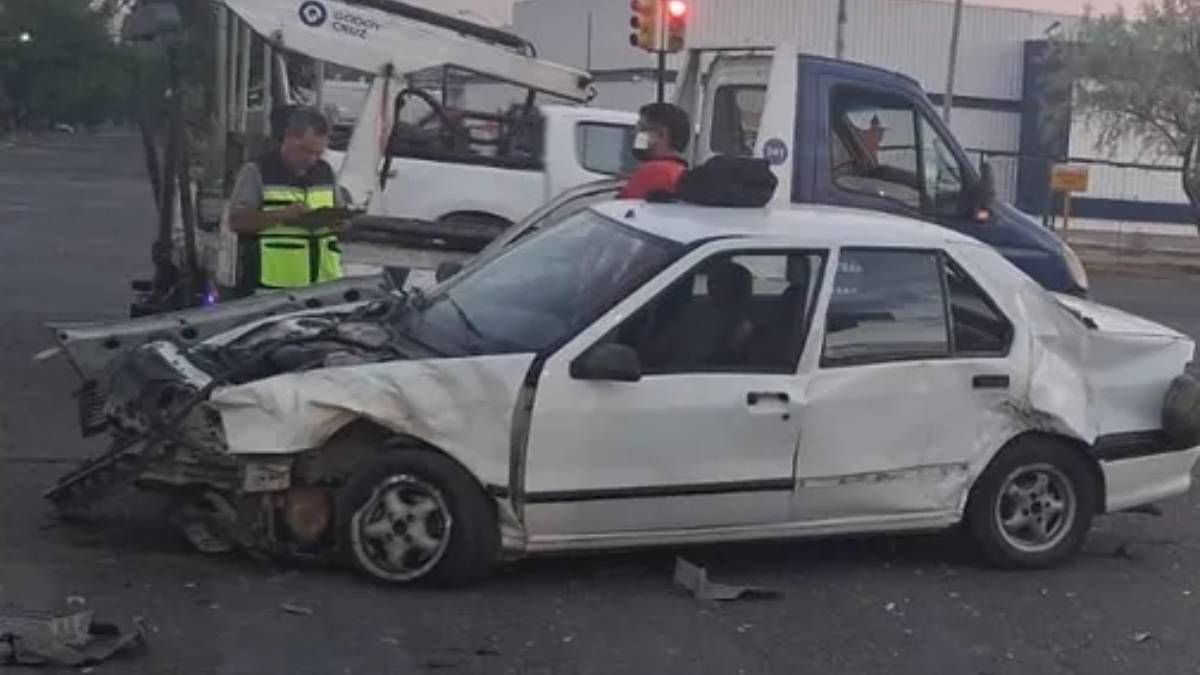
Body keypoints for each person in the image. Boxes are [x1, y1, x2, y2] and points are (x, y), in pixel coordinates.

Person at [228, 106, 348, 292]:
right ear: (289, 138)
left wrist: (337, 221)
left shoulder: (325, 172)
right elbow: (236, 222)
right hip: (273, 291)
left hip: (323, 290)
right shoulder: (257, 171)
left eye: (318, 153)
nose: (312, 159)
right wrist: (283, 215)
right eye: (307, 150)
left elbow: (342, 220)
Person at [618, 102, 691, 199]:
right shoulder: (679, 171)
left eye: (642, 129)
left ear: (661, 134)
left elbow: (622, 208)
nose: (634, 133)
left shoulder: (654, 172)